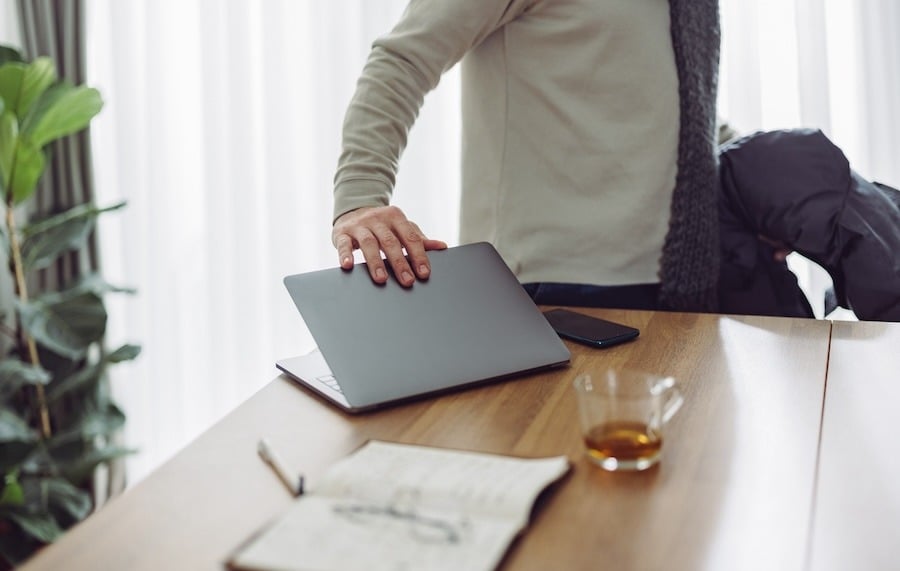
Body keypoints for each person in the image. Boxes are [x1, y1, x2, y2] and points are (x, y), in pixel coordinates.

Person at [331, 0, 722, 312]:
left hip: (678, 277)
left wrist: (764, 194)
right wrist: (361, 197)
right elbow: (403, 61)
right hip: (546, 285)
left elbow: (685, 112)